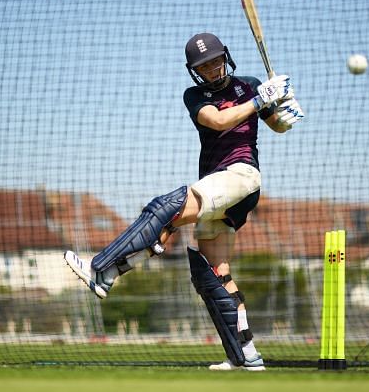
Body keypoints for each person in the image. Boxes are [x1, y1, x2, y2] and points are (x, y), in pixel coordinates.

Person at [64, 32, 304, 371]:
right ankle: (246, 356)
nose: (211, 69)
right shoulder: (195, 95)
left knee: (168, 205)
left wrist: (285, 109)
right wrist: (261, 99)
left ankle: (100, 269)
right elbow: (218, 120)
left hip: (241, 175)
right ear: (195, 71)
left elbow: (276, 125)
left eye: (215, 61)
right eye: (203, 66)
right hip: (217, 181)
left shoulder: (249, 85)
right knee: (213, 273)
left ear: (226, 57)